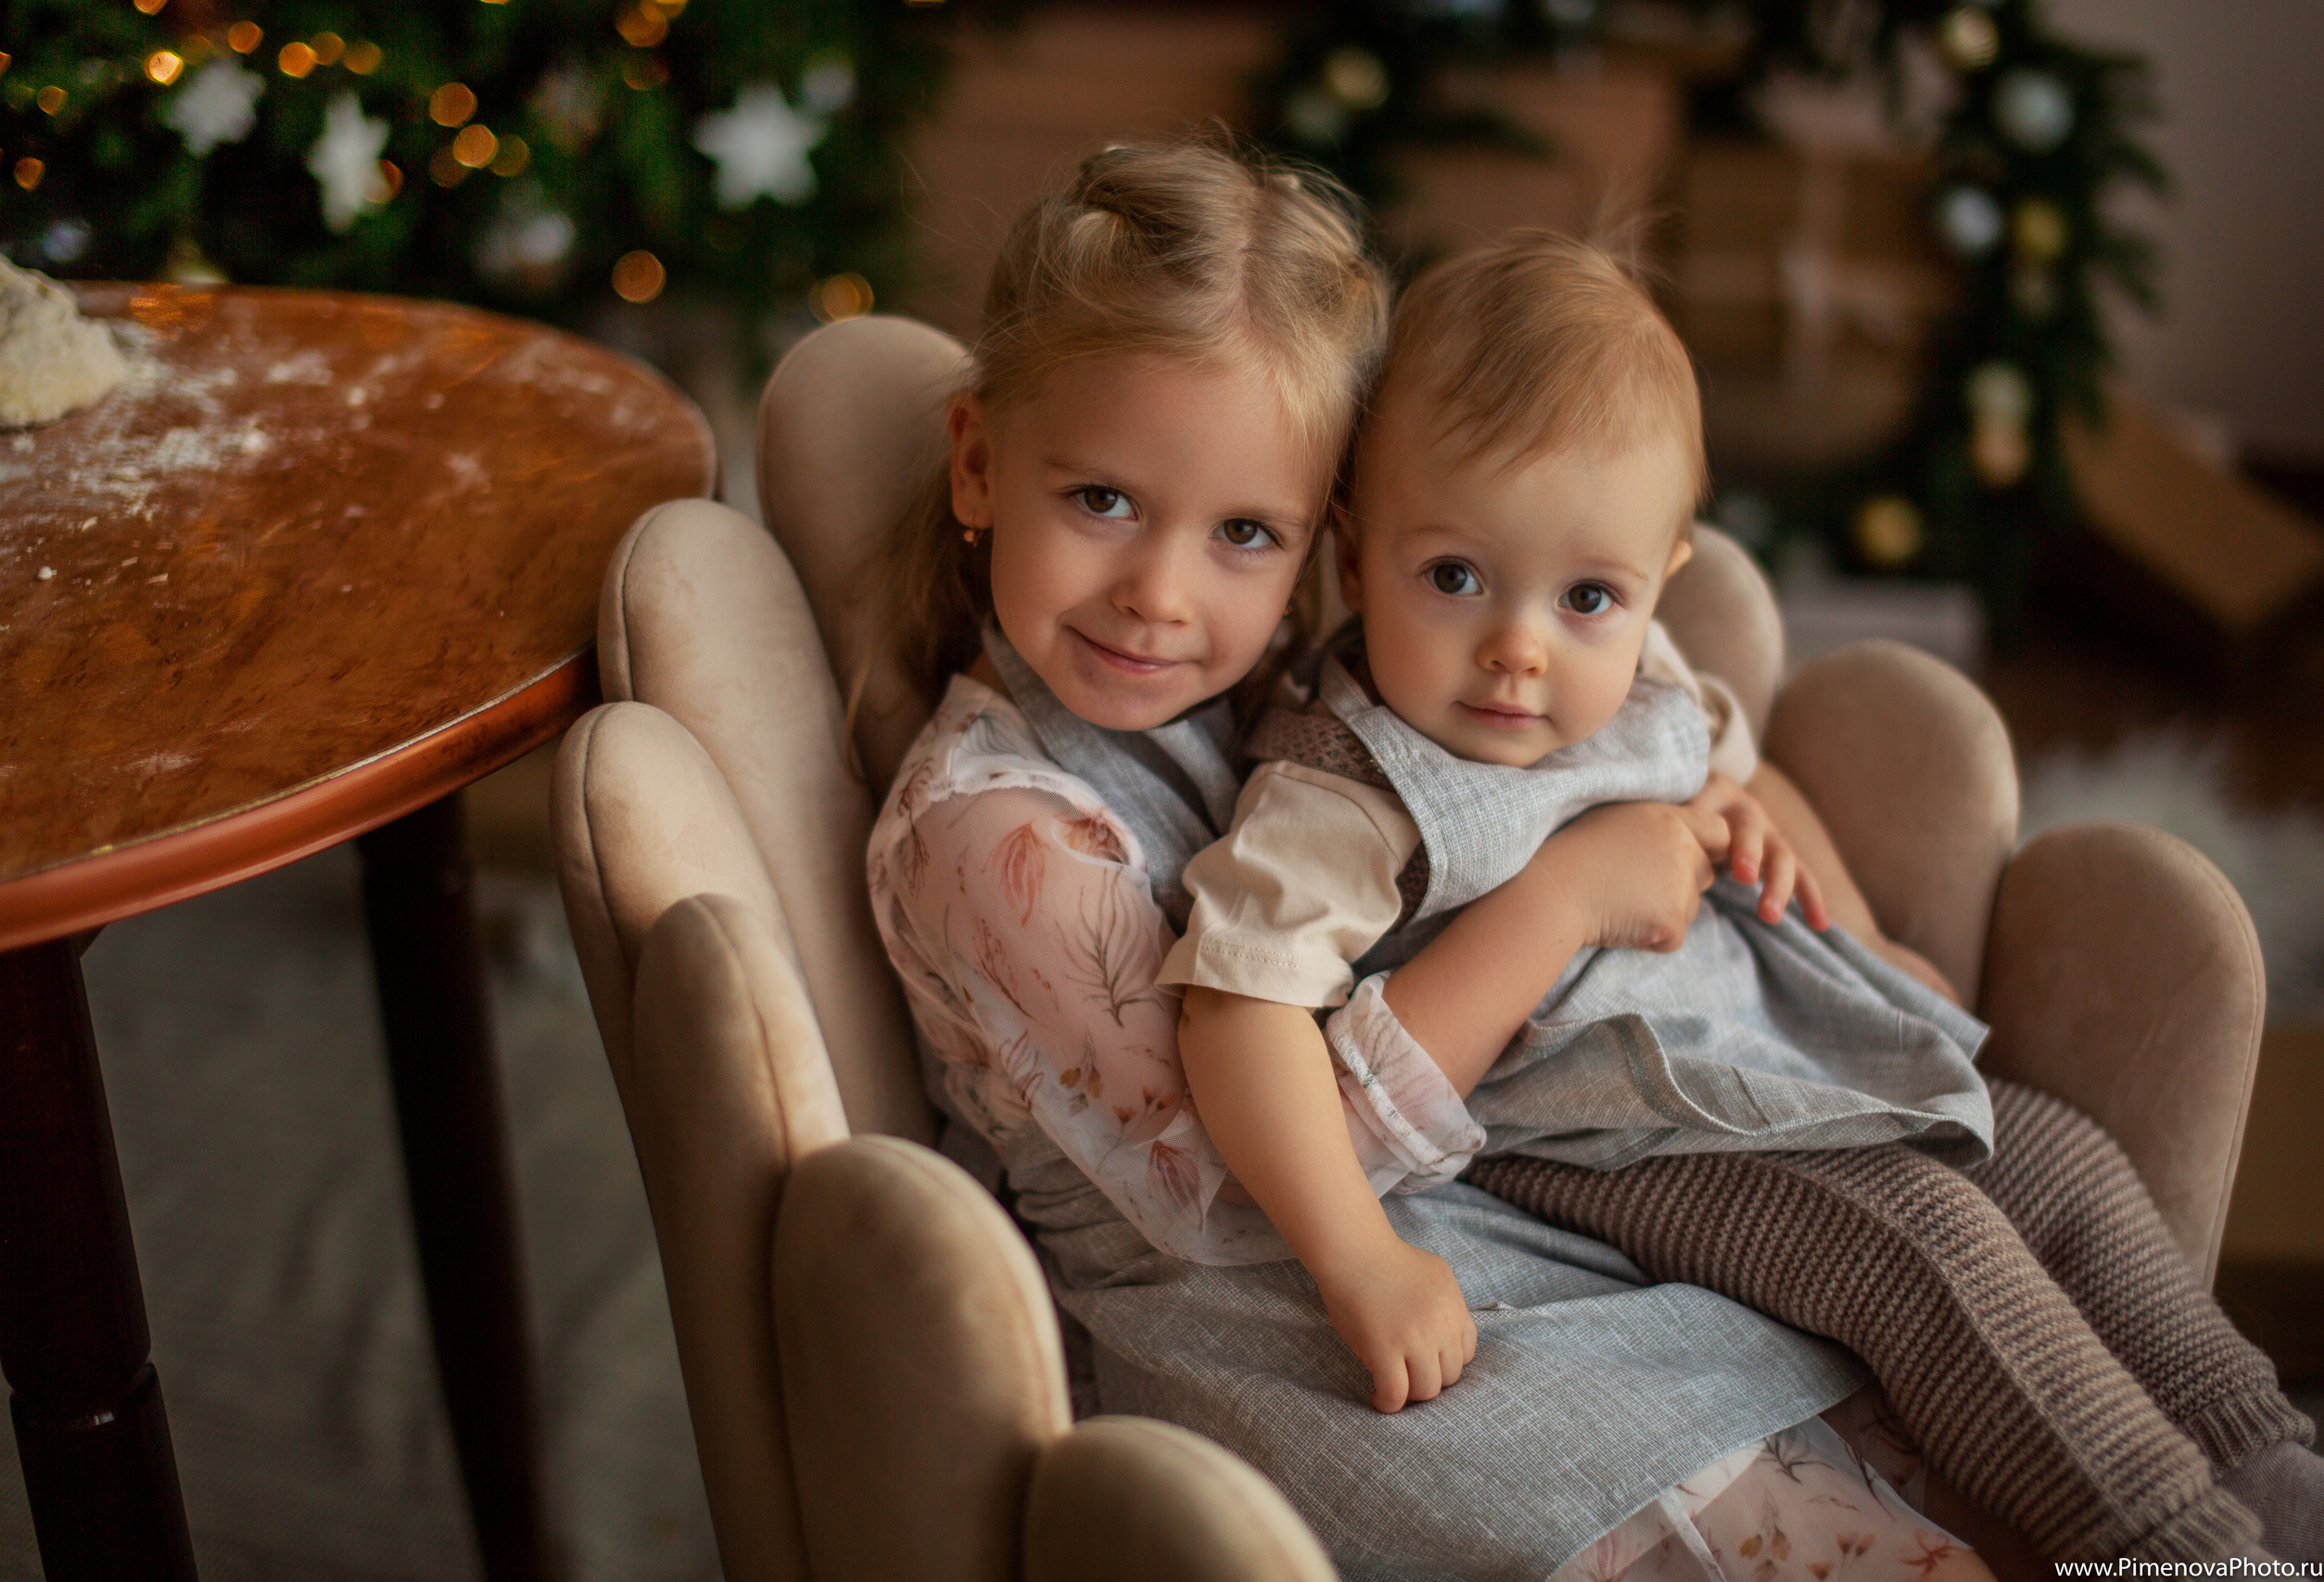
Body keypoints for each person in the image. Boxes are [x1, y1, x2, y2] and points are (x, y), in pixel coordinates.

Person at [866, 137, 2006, 1580]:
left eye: (1243, 532)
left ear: (1322, 544)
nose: (1160, 593)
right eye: (1101, 501)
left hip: (1497, 1232)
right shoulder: (1002, 836)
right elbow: (1241, 1176)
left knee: (1954, 1429)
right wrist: (1564, 900)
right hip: (1295, 1341)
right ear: (980, 463)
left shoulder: (1290, 691)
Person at [1159, 230, 2320, 1566]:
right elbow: (1237, 1005)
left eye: (1588, 594)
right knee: (1926, 1252)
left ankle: (2266, 1468)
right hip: (1617, 1140)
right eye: (1454, 576)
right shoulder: (1345, 787)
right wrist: (1357, 1256)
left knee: (2059, 1157)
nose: (1519, 645)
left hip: (1779, 1049)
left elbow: (1743, 774)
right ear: (1355, 553)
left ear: (1661, 578)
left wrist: (1867, 933)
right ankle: (2176, 1545)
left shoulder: (1638, 671)